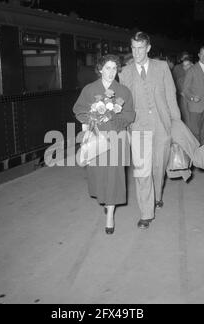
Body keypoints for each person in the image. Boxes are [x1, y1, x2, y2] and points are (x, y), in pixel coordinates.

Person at [119, 31, 181, 229]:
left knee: (159, 166)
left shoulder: (162, 67)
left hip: (162, 125)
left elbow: (171, 96)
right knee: (142, 171)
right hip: (138, 127)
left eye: (140, 48)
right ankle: (146, 213)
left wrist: (177, 123)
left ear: (148, 48)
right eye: (133, 48)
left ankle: (158, 195)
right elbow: (124, 101)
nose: (136, 53)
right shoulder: (125, 72)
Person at [73, 54, 135, 234]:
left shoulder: (123, 91)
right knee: (100, 176)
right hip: (96, 139)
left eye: (114, 68)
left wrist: (114, 118)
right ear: (100, 69)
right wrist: (91, 118)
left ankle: (110, 215)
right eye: (107, 68)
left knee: (114, 177)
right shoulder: (89, 89)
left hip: (116, 139)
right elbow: (78, 109)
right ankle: (106, 201)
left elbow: (130, 114)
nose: (111, 72)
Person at [182, 46, 204, 145]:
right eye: (202, 54)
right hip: (195, 106)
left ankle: (201, 153)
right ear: (199, 55)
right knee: (195, 132)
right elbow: (185, 90)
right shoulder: (192, 69)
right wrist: (192, 97)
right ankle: (195, 153)